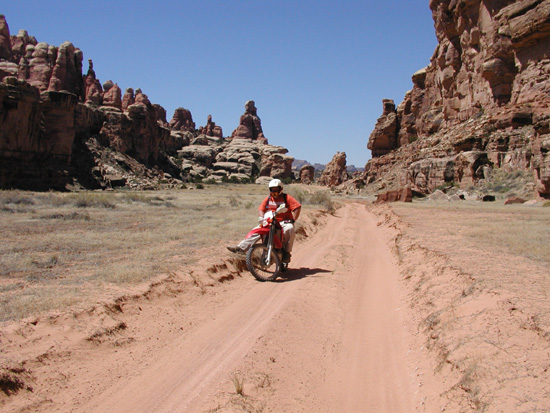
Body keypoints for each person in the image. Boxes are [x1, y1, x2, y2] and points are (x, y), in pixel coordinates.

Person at [227, 179, 301, 263]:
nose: (274, 191)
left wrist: (293, 220)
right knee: (257, 230)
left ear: (280, 189)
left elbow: (297, 207)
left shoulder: (286, 197)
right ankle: (240, 248)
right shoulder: (268, 199)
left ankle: (287, 253)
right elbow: (261, 209)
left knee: (289, 229)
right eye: (272, 189)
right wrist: (261, 218)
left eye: (276, 189)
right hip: (270, 220)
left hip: (284, 221)